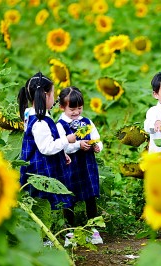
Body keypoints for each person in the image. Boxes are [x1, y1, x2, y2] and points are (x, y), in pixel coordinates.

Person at [18, 72, 76, 210]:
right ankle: (48, 227)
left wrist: (62, 153)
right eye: (53, 94)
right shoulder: (40, 122)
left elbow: (46, 142)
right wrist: (66, 140)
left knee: (39, 198)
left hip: (35, 163)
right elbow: (46, 148)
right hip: (42, 168)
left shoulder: (30, 113)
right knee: (44, 199)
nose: (55, 98)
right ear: (45, 95)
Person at [56, 86, 103, 245]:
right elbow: (63, 146)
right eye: (72, 109)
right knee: (69, 197)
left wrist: (97, 146)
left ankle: (93, 229)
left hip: (87, 164)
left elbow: (96, 137)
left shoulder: (87, 122)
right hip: (70, 166)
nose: (76, 112)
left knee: (90, 196)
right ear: (62, 107)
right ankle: (69, 232)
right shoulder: (60, 125)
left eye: (79, 108)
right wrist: (78, 145)